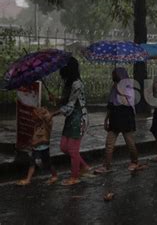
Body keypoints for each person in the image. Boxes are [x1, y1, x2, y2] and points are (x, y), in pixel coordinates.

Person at [50, 57, 90, 186]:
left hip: (78, 118)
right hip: (70, 118)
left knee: (72, 150)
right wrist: (55, 99)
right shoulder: (69, 82)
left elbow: (71, 105)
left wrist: (54, 113)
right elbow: (65, 101)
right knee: (63, 147)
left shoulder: (77, 84)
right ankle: (83, 166)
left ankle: (74, 177)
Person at [94, 68, 141, 174]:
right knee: (109, 143)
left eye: (115, 75)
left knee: (129, 142)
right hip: (115, 117)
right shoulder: (114, 88)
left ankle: (135, 161)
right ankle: (107, 165)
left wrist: (118, 88)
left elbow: (126, 102)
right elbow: (111, 105)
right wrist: (106, 120)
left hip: (126, 116)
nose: (113, 77)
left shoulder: (129, 87)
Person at [16, 107, 58, 186]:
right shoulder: (37, 124)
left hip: (43, 148)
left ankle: (54, 175)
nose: (33, 118)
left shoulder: (47, 125)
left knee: (47, 163)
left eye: (35, 116)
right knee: (33, 163)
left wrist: (43, 113)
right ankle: (28, 179)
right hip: (36, 148)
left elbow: (48, 117)